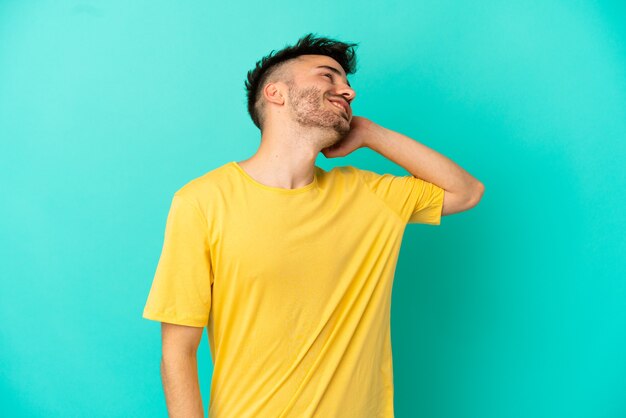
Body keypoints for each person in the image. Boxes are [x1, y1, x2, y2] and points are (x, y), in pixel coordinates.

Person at [142, 32, 484, 418]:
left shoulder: (370, 196)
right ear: (276, 93)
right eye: (328, 76)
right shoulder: (202, 201)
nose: (348, 92)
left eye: (348, 84)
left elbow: (466, 192)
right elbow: (178, 350)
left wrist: (372, 134)